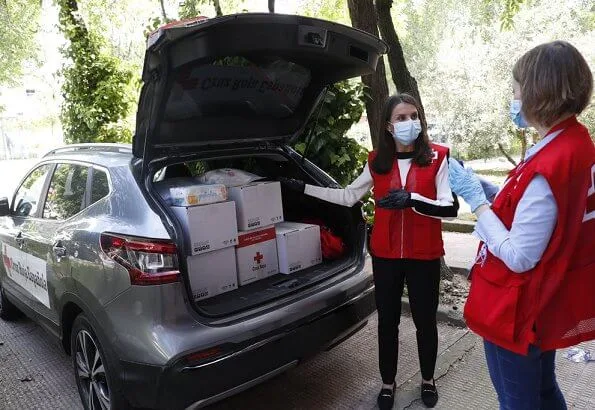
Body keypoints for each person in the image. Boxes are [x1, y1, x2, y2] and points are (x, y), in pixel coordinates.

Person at [281, 93, 459, 409]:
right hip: (387, 256)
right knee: (387, 323)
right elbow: (349, 196)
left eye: (414, 116)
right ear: (389, 127)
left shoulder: (437, 157)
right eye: (401, 118)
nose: (409, 123)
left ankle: (427, 380)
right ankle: (387, 384)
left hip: (424, 256)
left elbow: (449, 207)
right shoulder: (377, 161)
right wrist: (303, 188)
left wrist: (413, 201)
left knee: (425, 321)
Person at [448, 41, 595, 409]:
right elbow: (545, 210)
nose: (512, 98)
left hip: (516, 306)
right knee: (544, 391)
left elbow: (519, 254)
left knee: (517, 402)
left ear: (537, 91)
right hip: (542, 299)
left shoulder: (554, 160)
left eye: (515, 89)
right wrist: (492, 190)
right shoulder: (572, 142)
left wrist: (478, 203)